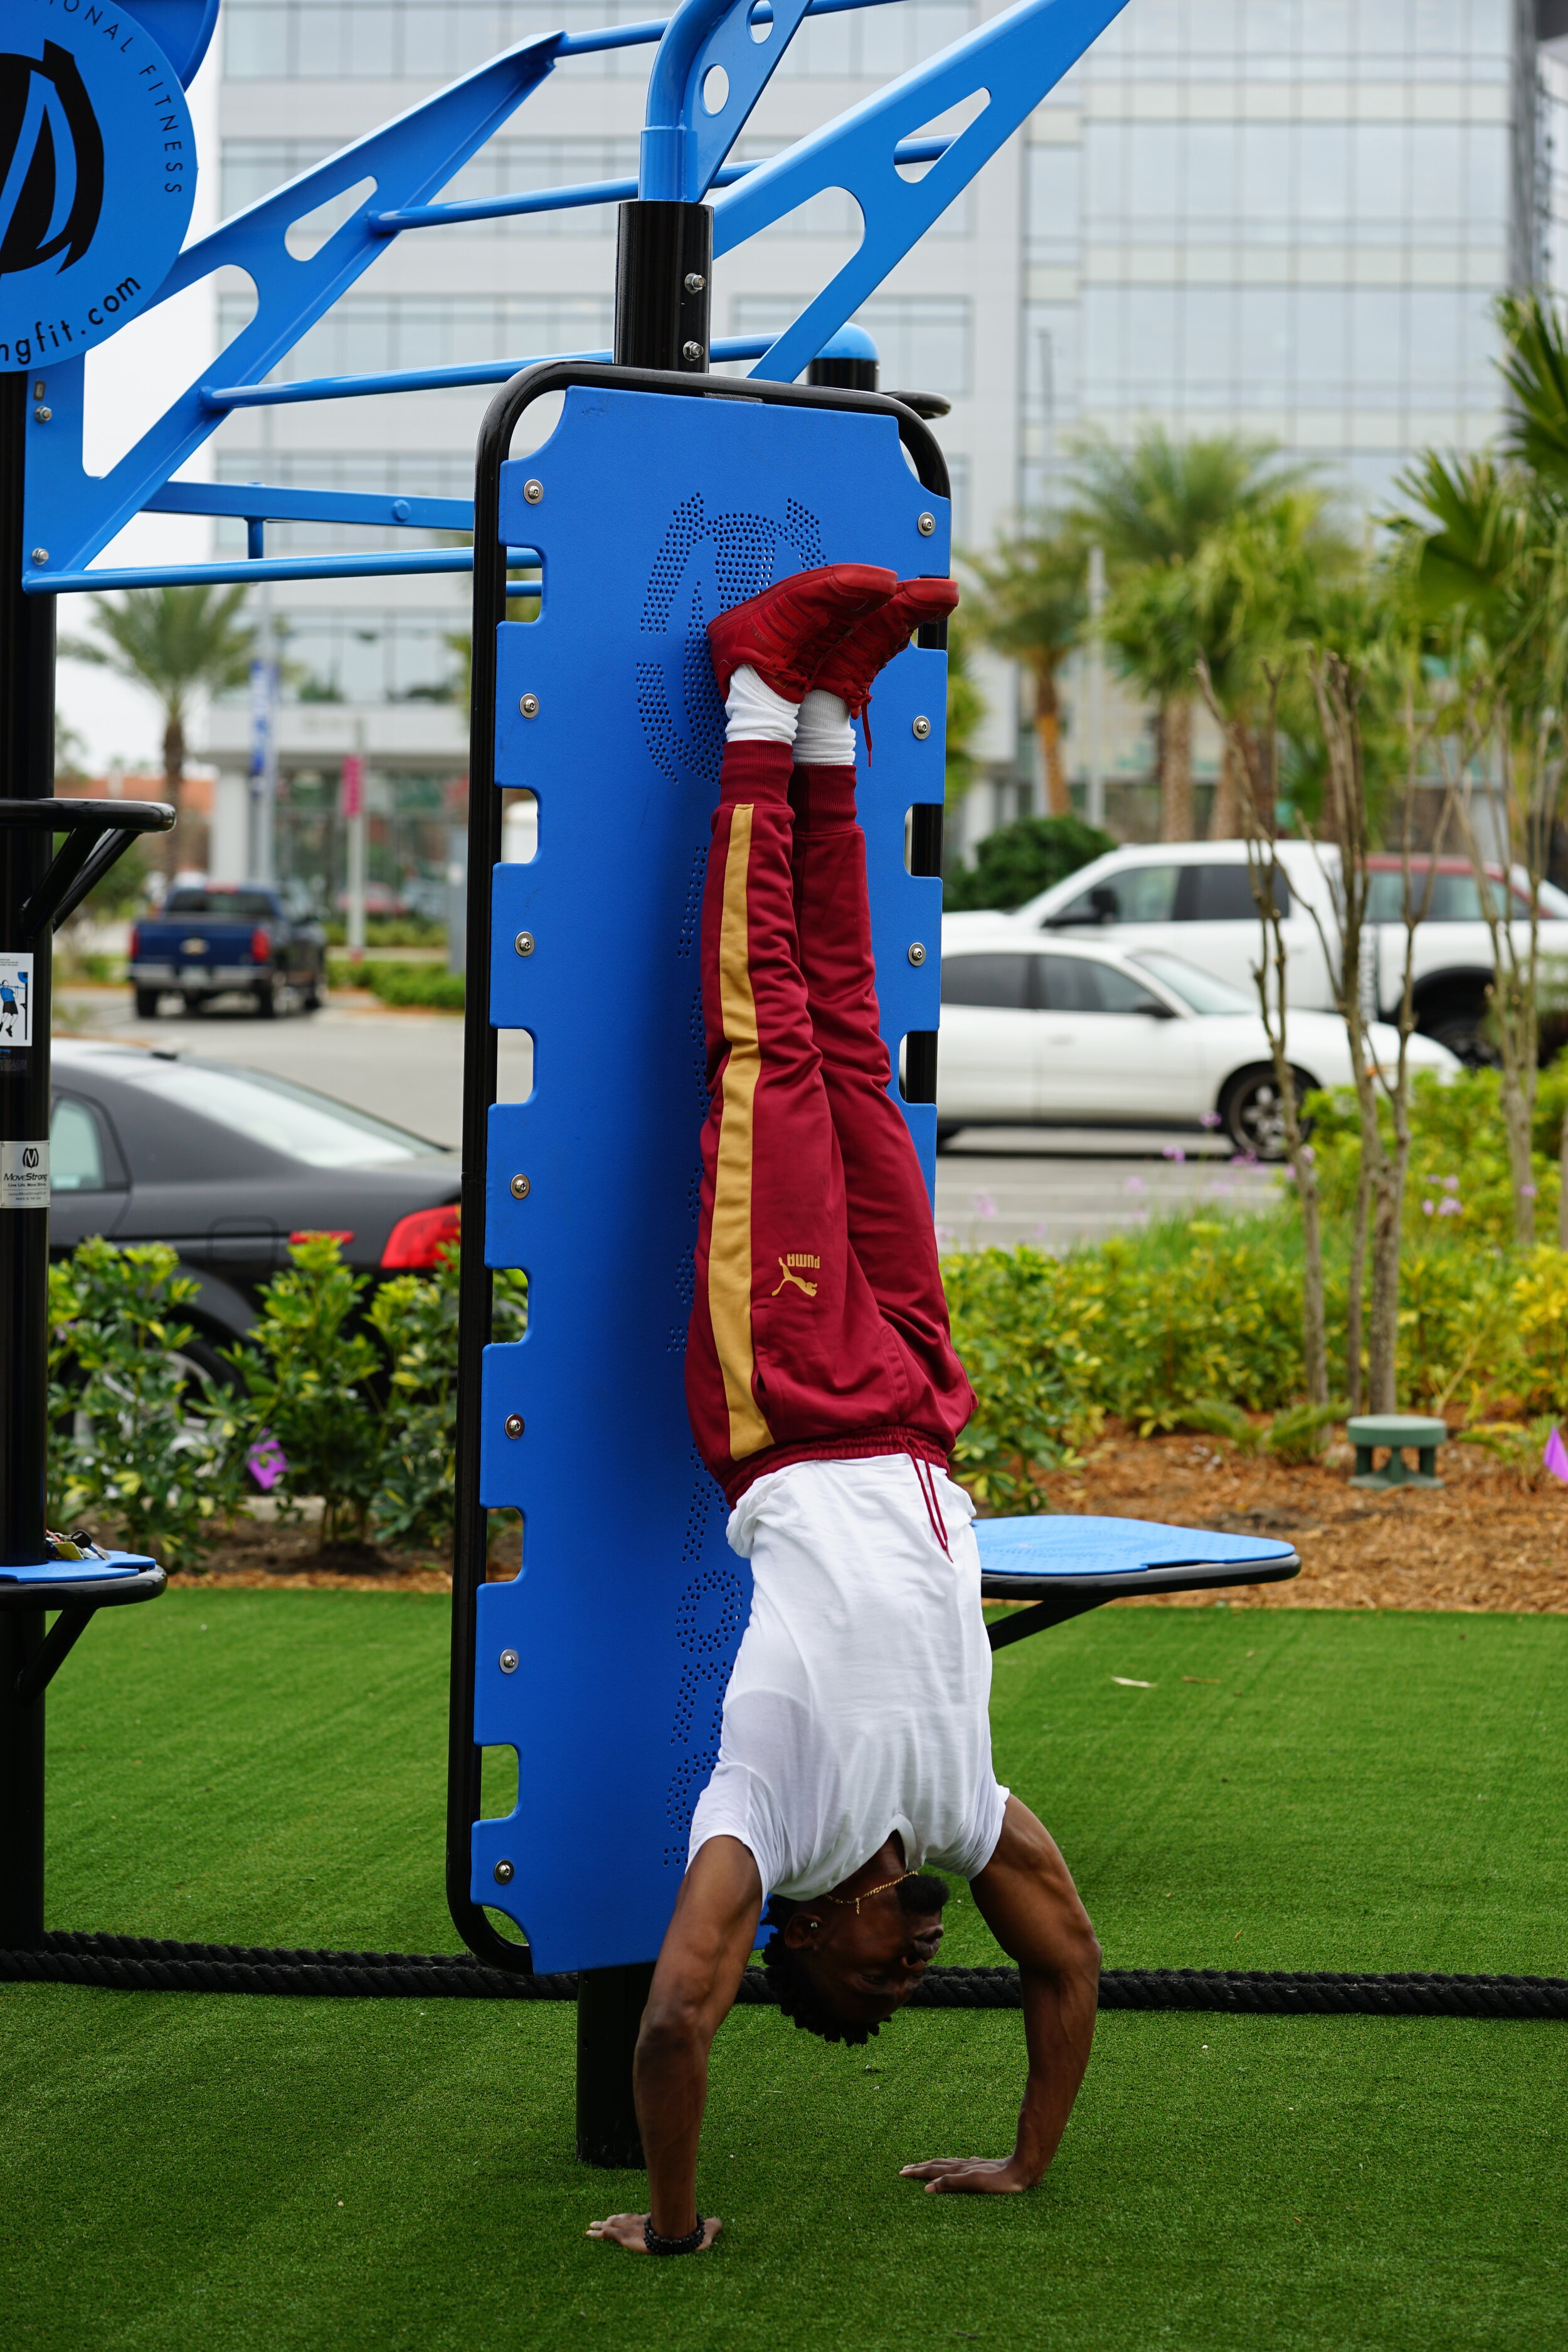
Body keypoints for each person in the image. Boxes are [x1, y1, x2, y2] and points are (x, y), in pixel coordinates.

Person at [589, 565, 1100, 2259]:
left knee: (768, 1049)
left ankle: (753, 692)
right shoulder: (955, 1812)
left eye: (886, 1972)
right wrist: (1025, 2161)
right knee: (854, 1047)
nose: (918, 1953)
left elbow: (673, 2018)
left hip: (789, 1401)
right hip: (921, 1404)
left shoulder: (765, 1821)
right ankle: (829, 722)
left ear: (807, 1945)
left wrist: (671, 2219)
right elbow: (1068, 1960)